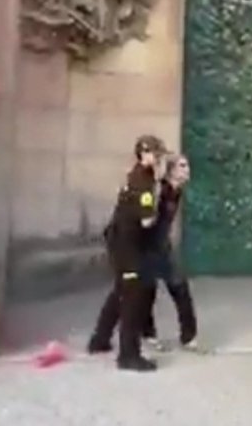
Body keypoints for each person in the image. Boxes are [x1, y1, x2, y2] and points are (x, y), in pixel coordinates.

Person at [88, 135, 167, 371]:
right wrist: (157, 208)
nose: (159, 158)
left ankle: (99, 340)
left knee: (121, 291)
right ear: (144, 154)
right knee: (134, 298)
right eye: (156, 154)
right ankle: (128, 356)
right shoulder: (143, 182)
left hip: (121, 241)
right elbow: (146, 221)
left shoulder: (139, 175)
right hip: (127, 245)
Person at [140, 154, 199, 351]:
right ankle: (148, 334)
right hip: (148, 247)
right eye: (182, 166)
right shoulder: (161, 190)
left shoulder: (177, 191)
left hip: (163, 247)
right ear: (171, 171)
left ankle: (189, 337)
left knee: (181, 290)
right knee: (147, 293)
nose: (187, 170)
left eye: (187, 165)